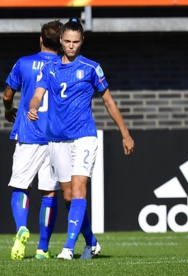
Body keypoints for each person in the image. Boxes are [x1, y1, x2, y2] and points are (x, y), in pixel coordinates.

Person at [28, 17, 135, 260]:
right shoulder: (50, 68)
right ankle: (92, 242)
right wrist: (33, 107)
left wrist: (125, 134)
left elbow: (108, 101)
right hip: (56, 139)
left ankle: (68, 248)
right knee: (67, 196)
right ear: (61, 41)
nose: (71, 46)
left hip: (84, 137)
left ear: (82, 41)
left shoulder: (91, 68)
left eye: (76, 42)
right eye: (67, 41)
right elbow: (37, 95)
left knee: (78, 190)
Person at [3, 20, 62, 260]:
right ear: (61, 42)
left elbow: (8, 94)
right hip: (56, 137)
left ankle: (21, 228)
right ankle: (43, 249)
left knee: (21, 186)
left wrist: (8, 109)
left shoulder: (23, 63)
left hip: (28, 133)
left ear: (40, 40)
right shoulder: (64, 64)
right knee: (49, 193)